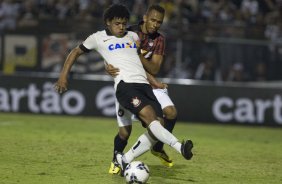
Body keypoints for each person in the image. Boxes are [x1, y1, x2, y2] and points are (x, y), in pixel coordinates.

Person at [54, 3, 193, 176]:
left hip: (144, 85)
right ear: (108, 23)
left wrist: (154, 82)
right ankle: (180, 147)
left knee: (159, 124)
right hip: (125, 86)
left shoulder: (133, 36)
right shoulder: (97, 38)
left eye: (124, 23)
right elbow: (75, 52)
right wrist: (63, 76)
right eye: (117, 23)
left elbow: (137, 64)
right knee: (140, 125)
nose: (121, 27)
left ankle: (124, 159)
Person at [106, 4, 178, 174]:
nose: (155, 24)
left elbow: (153, 69)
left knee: (171, 113)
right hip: (129, 84)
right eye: (153, 20)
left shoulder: (160, 39)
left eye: (159, 22)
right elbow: (110, 51)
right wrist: (106, 66)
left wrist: (137, 54)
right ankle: (117, 158)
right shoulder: (128, 32)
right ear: (145, 18)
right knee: (124, 132)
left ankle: (158, 147)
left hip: (151, 85)